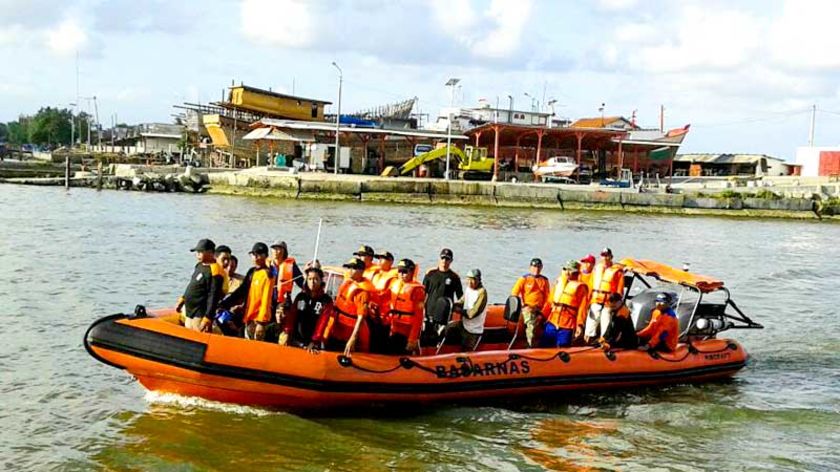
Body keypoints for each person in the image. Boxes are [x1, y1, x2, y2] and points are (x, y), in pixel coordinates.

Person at [313, 257, 375, 356]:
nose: (350, 271)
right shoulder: (347, 283)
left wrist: (353, 338)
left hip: (349, 331)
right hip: (337, 327)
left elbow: (361, 317)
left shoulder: (362, 292)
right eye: (349, 268)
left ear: (362, 271)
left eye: (353, 268)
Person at [218, 242, 276, 341]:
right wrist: (223, 304)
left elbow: (266, 300)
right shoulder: (252, 272)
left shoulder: (268, 274)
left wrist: (261, 323)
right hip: (248, 316)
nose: (256, 258)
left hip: (258, 320)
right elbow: (241, 291)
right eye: (253, 255)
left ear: (265, 256)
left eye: (259, 255)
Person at [175, 238, 224, 332]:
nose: (197, 254)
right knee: (189, 332)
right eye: (197, 251)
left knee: (199, 334)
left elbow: (213, 295)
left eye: (200, 251)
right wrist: (183, 299)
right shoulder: (199, 266)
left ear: (210, 252)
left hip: (201, 312)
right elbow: (192, 285)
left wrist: (208, 317)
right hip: (190, 311)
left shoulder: (215, 270)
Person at [279, 265, 333, 348]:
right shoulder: (301, 296)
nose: (312, 282)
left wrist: (314, 340)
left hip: (313, 341)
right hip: (296, 338)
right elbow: (292, 315)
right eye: (310, 279)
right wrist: (287, 331)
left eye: (316, 279)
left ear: (321, 281)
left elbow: (323, 321)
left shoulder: (326, 301)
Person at [543, 260, 590, 347]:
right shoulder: (559, 283)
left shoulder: (581, 288)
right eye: (567, 270)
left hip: (567, 324)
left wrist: (580, 325)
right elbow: (550, 302)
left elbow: (582, 309)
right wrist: (542, 316)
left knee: (563, 347)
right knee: (545, 344)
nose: (568, 273)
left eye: (571, 271)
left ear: (576, 272)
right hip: (552, 321)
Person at [384, 259, 425, 354]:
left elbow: (419, 317)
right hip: (394, 326)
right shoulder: (395, 285)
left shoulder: (417, 290)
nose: (401, 274)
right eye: (400, 271)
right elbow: (382, 298)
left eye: (405, 271)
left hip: (406, 330)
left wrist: (412, 339)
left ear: (411, 272)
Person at [585, 248, 625, 344]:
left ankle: (604, 341)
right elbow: (591, 285)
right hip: (596, 299)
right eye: (603, 255)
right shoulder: (597, 269)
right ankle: (587, 340)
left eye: (607, 255)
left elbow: (620, 289)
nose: (605, 258)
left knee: (606, 320)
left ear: (611, 257)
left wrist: (616, 303)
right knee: (591, 322)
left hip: (609, 302)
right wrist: (588, 301)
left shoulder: (617, 272)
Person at [511, 258, 551, 348]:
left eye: (538, 267)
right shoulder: (524, 279)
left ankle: (545, 347)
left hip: (540, 309)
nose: (536, 269)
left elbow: (548, 297)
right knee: (531, 326)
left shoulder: (544, 280)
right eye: (534, 267)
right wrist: (522, 306)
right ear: (530, 267)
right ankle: (530, 346)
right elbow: (514, 293)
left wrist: (543, 313)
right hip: (528, 308)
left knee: (547, 327)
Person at [446, 269, 487, 352]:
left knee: (466, 349)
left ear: (478, 280)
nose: (470, 282)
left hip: (473, 330)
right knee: (448, 328)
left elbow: (473, 313)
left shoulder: (482, 293)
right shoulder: (469, 289)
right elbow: (462, 300)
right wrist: (451, 305)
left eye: (473, 280)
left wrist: (458, 310)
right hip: (464, 324)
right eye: (468, 279)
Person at [422, 248, 464, 330]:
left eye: (447, 259)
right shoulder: (430, 274)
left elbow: (460, 297)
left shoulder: (454, 277)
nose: (444, 261)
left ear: (451, 261)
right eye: (443, 258)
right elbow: (423, 293)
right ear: (439, 259)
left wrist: (457, 309)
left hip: (444, 314)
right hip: (429, 312)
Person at [269, 240, 304, 309]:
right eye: (274, 248)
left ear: (284, 251)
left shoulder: (291, 266)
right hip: (269, 302)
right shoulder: (267, 266)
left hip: (284, 303)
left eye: (278, 248)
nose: (275, 251)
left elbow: (301, 283)